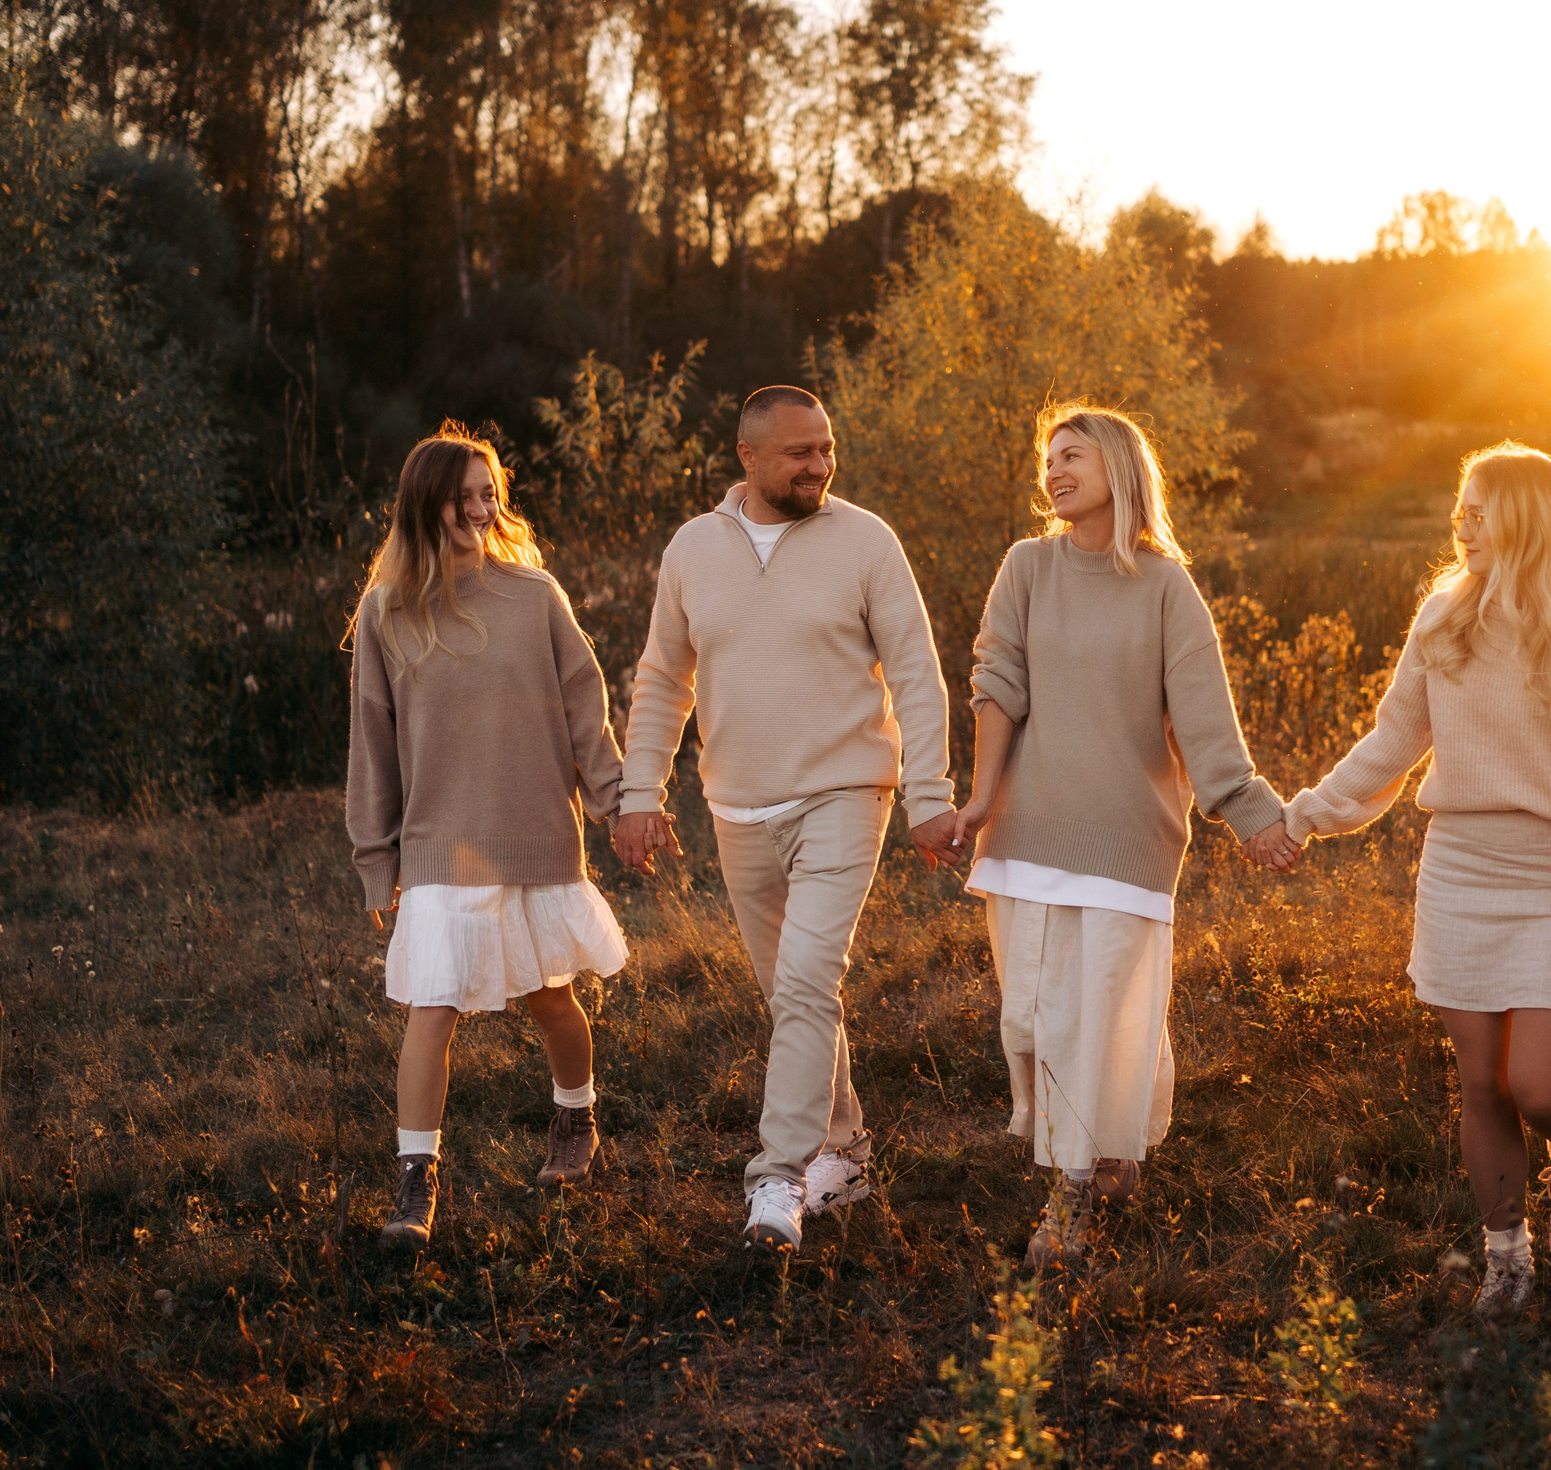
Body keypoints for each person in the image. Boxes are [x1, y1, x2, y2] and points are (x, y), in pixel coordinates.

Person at [1278, 442, 1551, 1323]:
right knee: (1482, 1083)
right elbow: (1392, 743)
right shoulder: (1442, 619)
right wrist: (1304, 815)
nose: (1462, 522)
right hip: (1460, 874)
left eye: (1481, 508)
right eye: (1460, 508)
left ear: (1529, 518)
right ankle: (1505, 1259)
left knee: (1538, 1087)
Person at [612, 385, 960, 1255]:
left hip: (845, 793)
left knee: (807, 981)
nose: (820, 465)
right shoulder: (693, 548)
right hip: (736, 806)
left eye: (827, 448)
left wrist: (930, 795)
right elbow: (663, 680)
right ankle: (847, 1150)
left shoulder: (866, 541)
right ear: (749, 458)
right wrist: (639, 793)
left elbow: (917, 672)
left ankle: (775, 1179)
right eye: (800, 452)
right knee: (792, 995)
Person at [952, 404, 1299, 1270]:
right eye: (1047, 458)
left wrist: (1252, 815)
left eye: (1072, 454)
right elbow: (998, 684)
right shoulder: (1026, 568)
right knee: (1033, 1020)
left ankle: (1070, 1194)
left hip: (1126, 838)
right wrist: (979, 801)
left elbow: (1205, 723)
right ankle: (1107, 1149)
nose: (1054, 470)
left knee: (1095, 1014)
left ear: (1118, 465)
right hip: (1027, 830)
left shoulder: (1165, 588)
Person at [346, 426, 630, 1250]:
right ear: (423, 503)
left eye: (489, 493)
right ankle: (414, 1182)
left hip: (535, 830)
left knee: (549, 998)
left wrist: (616, 802)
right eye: (464, 495)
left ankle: (576, 1120)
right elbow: (371, 740)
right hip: (438, 843)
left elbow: (585, 706)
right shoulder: (386, 612)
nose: (481, 508)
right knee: (432, 1009)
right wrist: (377, 859)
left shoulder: (534, 595)